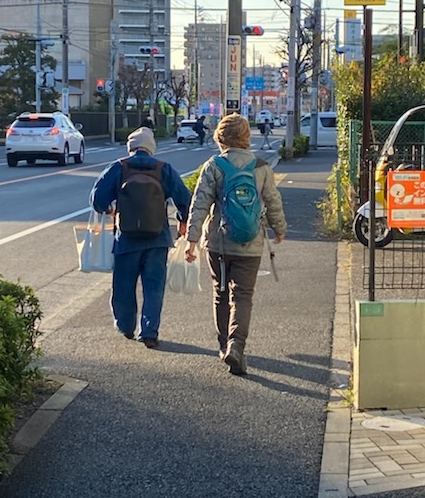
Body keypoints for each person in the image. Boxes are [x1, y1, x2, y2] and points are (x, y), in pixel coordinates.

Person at [185, 113, 286, 375]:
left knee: (220, 293)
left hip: (218, 242)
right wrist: (279, 228)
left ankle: (222, 345)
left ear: (221, 137)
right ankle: (236, 345)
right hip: (250, 242)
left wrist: (192, 240)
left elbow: (200, 204)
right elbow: (273, 201)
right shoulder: (261, 166)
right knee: (242, 296)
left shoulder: (214, 165)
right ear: (246, 137)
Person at [90, 127, 191, 349]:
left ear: (131, 147)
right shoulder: (164, 169)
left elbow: (97, 199)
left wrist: (109, 209)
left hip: (126, 239)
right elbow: (185, 199)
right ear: (151, 148)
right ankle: (149, 332)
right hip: (158, 239)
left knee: (124, 286)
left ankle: (126, 326)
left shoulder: (119, 168)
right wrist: (182, 220)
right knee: (154, 288)